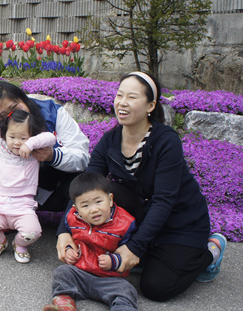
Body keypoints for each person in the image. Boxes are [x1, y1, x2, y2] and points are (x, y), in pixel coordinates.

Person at [56, 72, 227, 302]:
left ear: (151, 105)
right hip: (142, 218)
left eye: (132, 97)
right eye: (119, 95)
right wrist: (64, 231)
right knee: (106, 191)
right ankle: (145, 250)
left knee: (157, 288)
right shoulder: (110, 140)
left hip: (180, 223)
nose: (122, 102)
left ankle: (210, 253)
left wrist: (134, 247)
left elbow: (164, 200)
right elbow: (85, 186)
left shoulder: (166, 141)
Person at [0, 81, 89, 212]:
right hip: (19, 194)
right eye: (4, 115)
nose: (13, 116)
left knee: (81, 180)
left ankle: (70, 219)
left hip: (58, 189)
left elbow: (82, 157)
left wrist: (53, 156)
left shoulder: (53, 113)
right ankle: (10, 217)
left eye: (15, 107)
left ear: (23, 98)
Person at [0, 100, 56, 263]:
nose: (17, 142)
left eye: (23, 137)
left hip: (23, 206)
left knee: (32, 233)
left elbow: (50, 138)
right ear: (5, 134)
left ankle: (19, 245)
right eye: (12, 136)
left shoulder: (33, 150)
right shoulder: (2, 143)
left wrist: (30, 144)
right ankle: (0, 242)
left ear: (31, 136)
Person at [44, 172, 138, 311]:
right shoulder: (72, 218)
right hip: (80, 272)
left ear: (110, 199)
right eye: (85, 205)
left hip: (110, 279)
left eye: (99, 202)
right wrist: (70, 250)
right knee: (62, 272)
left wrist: (114, 260)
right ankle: (64, 305)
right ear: (76, 209)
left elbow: (129, 251)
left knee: (126, 290)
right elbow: (71, 239)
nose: (94, 209)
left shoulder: (125, 223)